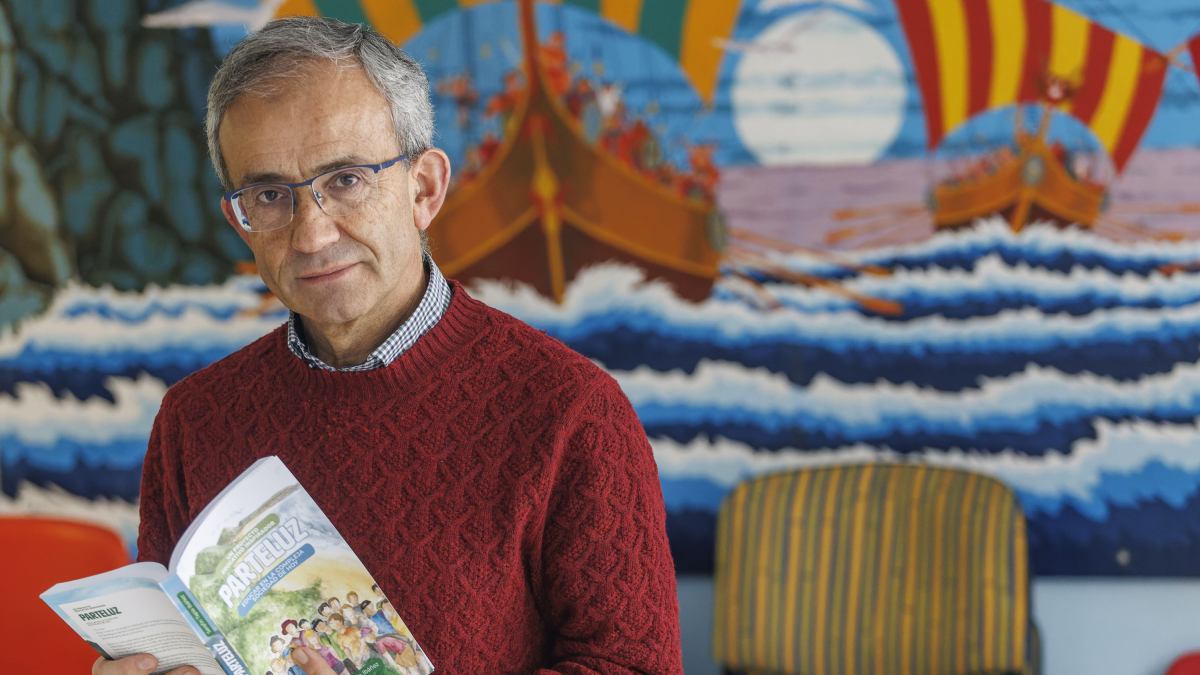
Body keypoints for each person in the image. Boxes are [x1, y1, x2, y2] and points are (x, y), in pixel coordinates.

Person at [94, 14, 680, 675]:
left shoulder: (572, 411)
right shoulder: (193, 420)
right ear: (241, 219)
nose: (312, 235)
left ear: (424, 188)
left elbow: (635, 666)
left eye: (345, 179)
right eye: (270, 194)